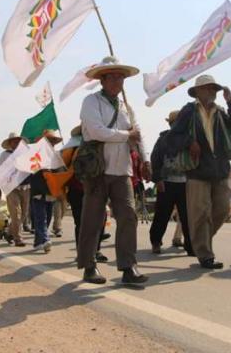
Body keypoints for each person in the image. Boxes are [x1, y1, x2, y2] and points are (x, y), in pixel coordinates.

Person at [77, 56, 151, 284]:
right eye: (113, 76)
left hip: (123, 170)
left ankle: (128, 267)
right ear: (102, 80)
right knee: (93, 219)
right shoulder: (91, 102)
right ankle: (89, 266)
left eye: (121, 77)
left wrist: (145, 160)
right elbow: (97, 131)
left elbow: (138, 134)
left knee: (129, 215)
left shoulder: (126, 107)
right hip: (97, 170)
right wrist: (126, 135)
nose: (117, 81)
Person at [168, 75, 231, 269]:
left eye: (214, 89)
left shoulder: (221, 111)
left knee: (223, 210)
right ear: (198, 91)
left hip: (221, 170)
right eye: (208, 89)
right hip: (198, 171)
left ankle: (200, 242)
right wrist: (189, 142)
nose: (212, 92)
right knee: (200, 213)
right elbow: (173, 137)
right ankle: (205, 254)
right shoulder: (189, 111)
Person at [149, 110, 194, 256]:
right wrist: (158, 179)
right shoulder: (163, 139)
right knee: (162, 215)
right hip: (167, 182)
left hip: (185, 183)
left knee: (187, 217)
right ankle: (156, 242)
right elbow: (155, 159)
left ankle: (190, 245)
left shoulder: (190, 138)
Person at [62, 125, 109, 263]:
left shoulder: (101, 147)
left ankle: (96, 250)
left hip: (98, 189)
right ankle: (82, 252)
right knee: (81, 223)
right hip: (77, 190)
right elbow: (65, 169)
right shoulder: (71, 151)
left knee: (101, 221)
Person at [29, 130, 63, 253]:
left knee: (48, 217)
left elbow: (60, 173)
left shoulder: (57, 155)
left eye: (53, 140)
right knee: (40, 217)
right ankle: (45, 238)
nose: (52, 143)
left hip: (51, 191)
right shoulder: (36, 154)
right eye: (49, 140)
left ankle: (38, 242)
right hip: (39, 190)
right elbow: (32, 170)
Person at [0, 132, 28, 247]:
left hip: (26, 187)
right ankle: (18, 238)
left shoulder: (26, 154)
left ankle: (10, 232)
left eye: (18, 140)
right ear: (10, 143)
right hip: (11, 187)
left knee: (24, 213)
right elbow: (0, 172)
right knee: (16, 213)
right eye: (14, 141)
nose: (17, 142)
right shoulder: (4, 155)